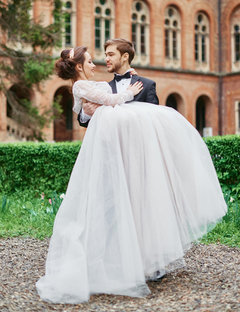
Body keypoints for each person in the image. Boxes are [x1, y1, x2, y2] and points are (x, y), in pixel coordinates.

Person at [36, 46, 227, 304]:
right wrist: (91, 108)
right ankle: (117, 262)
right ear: (79, 66)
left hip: (141, 161)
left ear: (125, 57)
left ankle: (152, 261)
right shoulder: (95, 86)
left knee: (146, 208)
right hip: (112, 158)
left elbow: (153, 126)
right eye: (96, 58)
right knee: (113, 211)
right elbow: (85, 115)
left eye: (110, 54)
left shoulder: (144, 84)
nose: (104, 60)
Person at [78, 38, 159, 128]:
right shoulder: (104, 88)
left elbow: (154, 121)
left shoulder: (147, 85)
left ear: (125, 57)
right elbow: (90, 124)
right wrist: (85, 114)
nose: (106, 59)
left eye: (111, 55)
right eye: (106, 55)